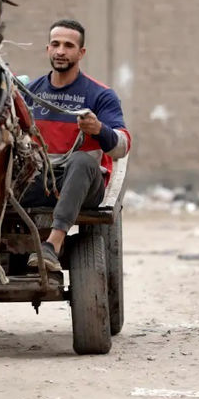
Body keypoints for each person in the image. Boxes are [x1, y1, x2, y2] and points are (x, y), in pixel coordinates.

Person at [22, 19, 131, 271]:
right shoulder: (29, 93)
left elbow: (121, 147)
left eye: (69, 45)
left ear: (81, 53)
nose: (61, 51)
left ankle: (53, 245)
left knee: (81, 160)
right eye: (55, 44)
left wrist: (99, 130)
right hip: (39, 181)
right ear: (48, 49)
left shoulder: (100, 95)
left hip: (83, 186)